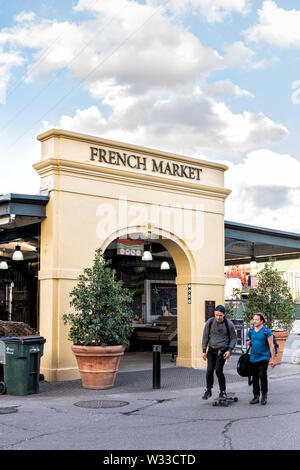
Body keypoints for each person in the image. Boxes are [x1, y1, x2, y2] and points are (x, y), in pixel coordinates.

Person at [201, 304, 237, 399]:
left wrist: (229, 350)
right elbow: (205, 336)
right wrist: (204, 350)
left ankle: (223, 391)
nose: (218, 317)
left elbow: (233, 338)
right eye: (216, 315)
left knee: (218, 370)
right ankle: (208, 390)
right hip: (211, 350)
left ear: (224, 314)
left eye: (220, 315)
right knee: (209, 370)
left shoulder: (228, 324)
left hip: (222, 350)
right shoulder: (210, 322)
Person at [247, 312, 276, 405]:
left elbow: (271, 346)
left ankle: (264, 395)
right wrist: (249, 342)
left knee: (262, 375)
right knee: (254, 377)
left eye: (256, 319)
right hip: (253, 357)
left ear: (262, 321)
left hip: (264, 357)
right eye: (253, 319)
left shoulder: (267, 331)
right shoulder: (251, 330)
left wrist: (273, 359)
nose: (254, 321)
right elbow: (249, 340)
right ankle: (256, 396)